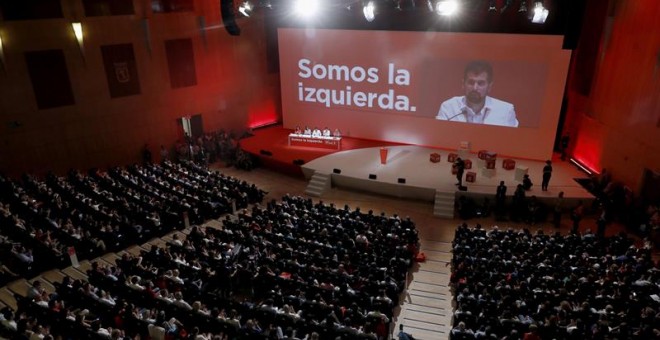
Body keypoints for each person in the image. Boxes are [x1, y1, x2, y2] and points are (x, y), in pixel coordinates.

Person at [436, 60, 519, 127]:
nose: (475, 88)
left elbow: (513, 143)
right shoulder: (448, 108)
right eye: (471, 82)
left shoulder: (505, 111)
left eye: (481, 83)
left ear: (489, 87)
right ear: (463, 84)